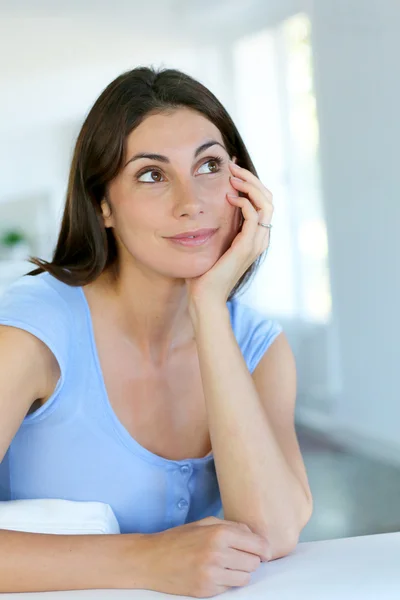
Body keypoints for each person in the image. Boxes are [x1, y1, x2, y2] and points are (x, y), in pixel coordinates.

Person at [0, 66, 312, 597]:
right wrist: (145, 560)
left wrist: (209, 307)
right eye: (152, 174)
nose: (191, 201)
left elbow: (272, 532)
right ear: (103, 205)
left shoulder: (259, 345)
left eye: (210, 165)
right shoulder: (31, 333)